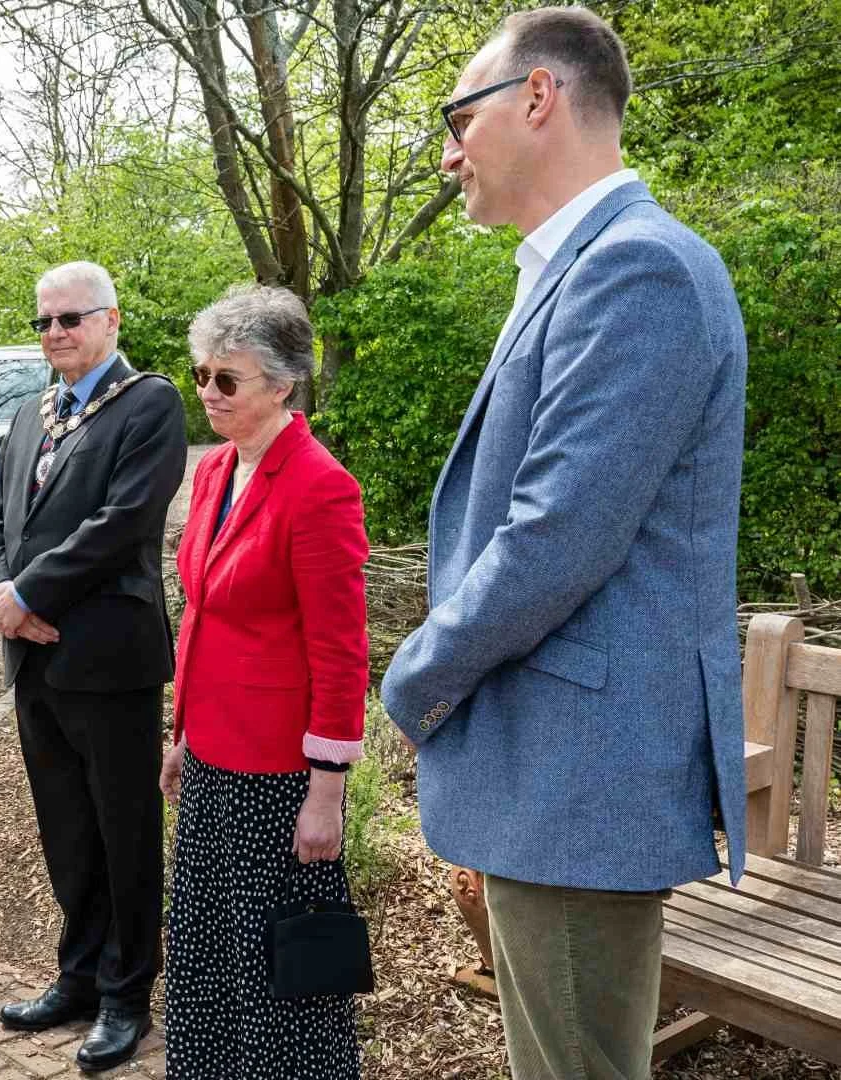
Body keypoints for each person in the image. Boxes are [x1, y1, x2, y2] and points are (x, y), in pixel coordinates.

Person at [381, 8, 748, 1078]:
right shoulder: (575, 268)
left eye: (460, 116)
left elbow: (554, 536)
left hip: (580, 780)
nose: (449, 153)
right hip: (556, 771)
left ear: (537, 97)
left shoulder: (637, 270)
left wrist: (415, 681)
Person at [0, 260, 187, 1072]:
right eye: (44, 322)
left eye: (72, 318)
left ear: (112, 320)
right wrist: (2, 593)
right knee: (66, 829)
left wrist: (31, 592)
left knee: (123, 833)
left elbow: (121, 521)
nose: (56, 333)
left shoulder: (149, 404)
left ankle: (129, 993)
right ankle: (78, 976)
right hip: (32, 660)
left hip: (106, 659)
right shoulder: (33, 411)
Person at [161, 285, 368, 1079]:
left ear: (282, 386)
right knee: (210, 954)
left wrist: (328, 791)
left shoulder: (320, 487)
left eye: (226, 379)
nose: (207, 392)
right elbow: (202, 615)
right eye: (201, 374)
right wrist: (182, 736)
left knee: (279, 970)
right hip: (214, 760)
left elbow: (341, 653)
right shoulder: (214, 471)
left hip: (280, 776)